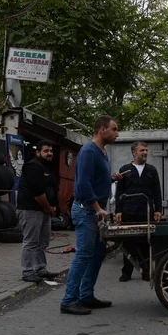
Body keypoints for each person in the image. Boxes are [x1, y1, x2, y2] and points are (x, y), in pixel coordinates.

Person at [60, 115, 123, 315]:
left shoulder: (103, 152)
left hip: (95, 211)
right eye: (114, 129)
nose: (117, 133)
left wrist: (111, 178)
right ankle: (69, 300)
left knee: (97, 254)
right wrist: (98, 209)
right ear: (101, 130)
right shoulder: (88, 151)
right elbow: (83, 185)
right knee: (84, 254)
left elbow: (94, 179)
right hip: (87, 211)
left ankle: (86, 295)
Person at [115, 141, 162, 282]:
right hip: (129, 211)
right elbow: (119, 192)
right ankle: (126, 272)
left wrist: (158, 209)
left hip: (146, 211)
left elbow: (157, 192)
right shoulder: (125, 169)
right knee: (128, 242)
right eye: (142, 150)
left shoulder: (151, 170)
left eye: (146, 150)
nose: (145, 153)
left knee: (146, 242)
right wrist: (118, 210)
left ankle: (146, 271)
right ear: (134, 153)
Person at [16, 140, 59, 283]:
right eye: (46, 151)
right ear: (38, 152)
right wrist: (47, 207)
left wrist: (53, 205)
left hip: (44, 210)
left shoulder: (48, 168)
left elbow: (52, 189)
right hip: (30, 209)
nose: (49, 154)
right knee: (31, 241)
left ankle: (41, 269)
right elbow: (37, 192)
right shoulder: (32, 166)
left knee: (43, 241)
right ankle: (27, 271)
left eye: (51, 151)